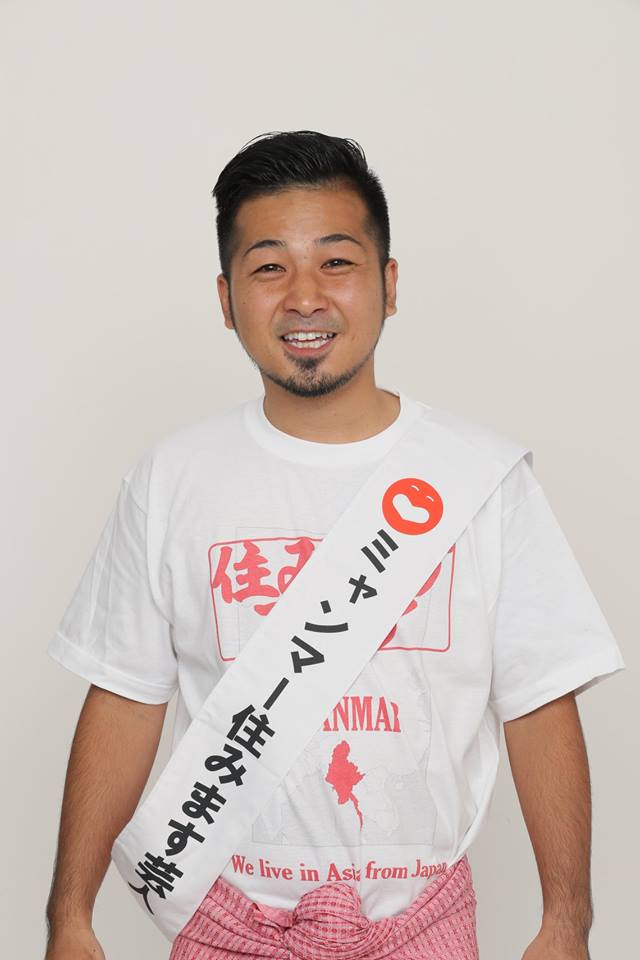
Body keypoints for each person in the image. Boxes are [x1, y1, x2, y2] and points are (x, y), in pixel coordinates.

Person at [44, 130, 625, 960]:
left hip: (421, 926)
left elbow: (538, 702)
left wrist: (567, 923)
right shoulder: (170, 479)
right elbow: (126, 697)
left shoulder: (481, 479)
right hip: (226, 925)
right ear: (226, 298)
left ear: (390, 284)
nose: (305, 296)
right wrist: (70, 917)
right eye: (269, 267)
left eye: (337, 262)